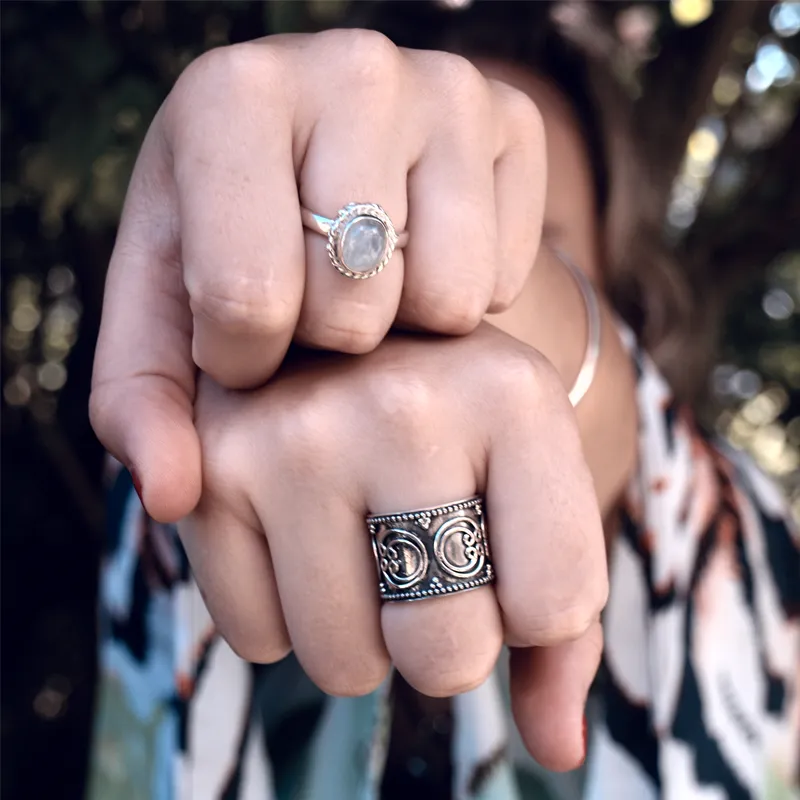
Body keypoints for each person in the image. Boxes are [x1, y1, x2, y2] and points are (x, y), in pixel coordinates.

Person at [87, 3, 799, 799]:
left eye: (532, 250)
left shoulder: (737, 522)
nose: (435, 307)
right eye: (403, 224)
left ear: (611, 278)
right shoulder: (178, 474)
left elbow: (612, 413)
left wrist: (546, 334)